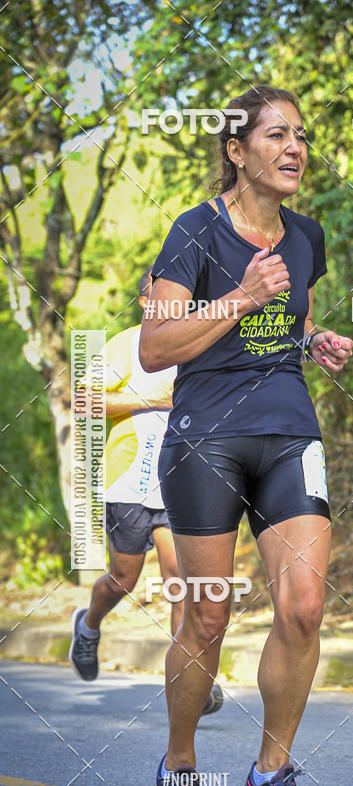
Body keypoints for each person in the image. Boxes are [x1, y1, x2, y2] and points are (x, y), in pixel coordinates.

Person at [140, 85, 353, 786]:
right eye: (276, 134)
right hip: (206, 438)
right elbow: (155, 347)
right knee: (207, 613)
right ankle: (179, 765)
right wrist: (240, 296)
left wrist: (313, 339)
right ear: (236, 150)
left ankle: (270, 774)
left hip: (289, 430)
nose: (295, 147)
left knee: (304, 606)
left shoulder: (307, 236)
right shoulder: (193, 232)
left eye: (301, 135)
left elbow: (291, 316)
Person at [69, 269, 224, 716]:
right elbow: (83, 401)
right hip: (129, 481)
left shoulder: (196, 341)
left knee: (181, 582)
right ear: (144, 301)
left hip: (180, 480)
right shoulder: (126, 345)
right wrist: (152, 399)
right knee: (124, 578)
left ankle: (189, 679)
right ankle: (88, 624)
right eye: (161, 294)